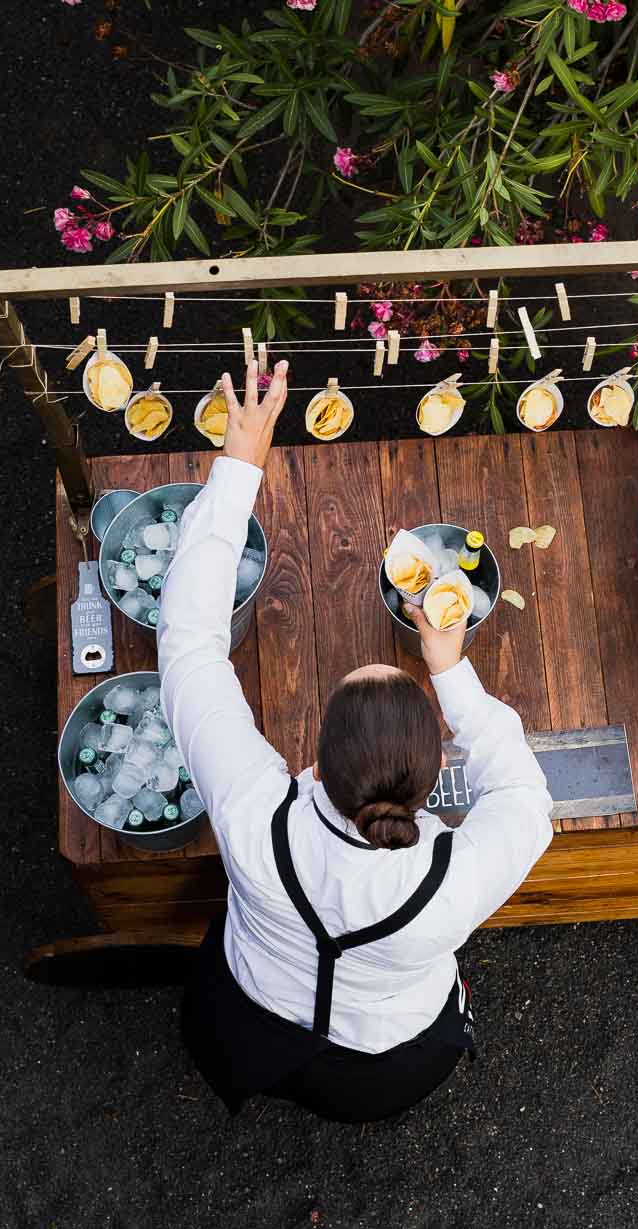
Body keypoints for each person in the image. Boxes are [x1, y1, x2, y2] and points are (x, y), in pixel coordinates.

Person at [159, 356, 554, 1123]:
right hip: (383, 1069)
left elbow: (189, 644)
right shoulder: (455, 880)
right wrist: (450, 668)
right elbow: (525, 798)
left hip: (249, 1017)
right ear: (431, 773)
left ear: (312, 759)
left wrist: (241, 466)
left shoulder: (252, 813)